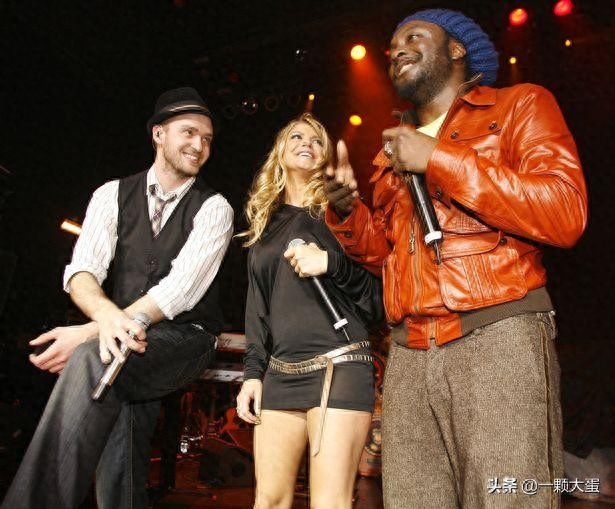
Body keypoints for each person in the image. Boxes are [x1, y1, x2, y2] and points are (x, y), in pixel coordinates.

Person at [323, 8, 588, 509]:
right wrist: (345, 212)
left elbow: (564, 211)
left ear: (457, 48)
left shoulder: (519, 104)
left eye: (414, 36)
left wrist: (439, 159)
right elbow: (390, 258)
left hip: (496, 333)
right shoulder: (391, 148)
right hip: (409, 350)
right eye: (392, 45)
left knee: (509, 498)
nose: (396, 49)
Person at [1, 86, 234, 509]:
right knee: (122, 453)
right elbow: (82, 272)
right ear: (158, 134)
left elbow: (179, 292)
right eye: (188, 132)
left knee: (95, 357)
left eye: (207, 138)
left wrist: (92, 331)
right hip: (126, 336)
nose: (199, 145)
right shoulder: (111, 194)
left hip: (187, 337)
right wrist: (107, 321)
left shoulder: (215, 208)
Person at [235, 113, 383, 509]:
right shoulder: (264, 226)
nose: (308, 144)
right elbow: (257, 308)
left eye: (318, 140)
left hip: (339, 366)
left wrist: (330, 263)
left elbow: (378, 299)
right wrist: (253, 374)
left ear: (326, 157)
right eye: (297, 137)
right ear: (280, 152)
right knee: (268, 501)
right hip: (281, 372)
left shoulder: (342, 214)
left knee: (329, 503)